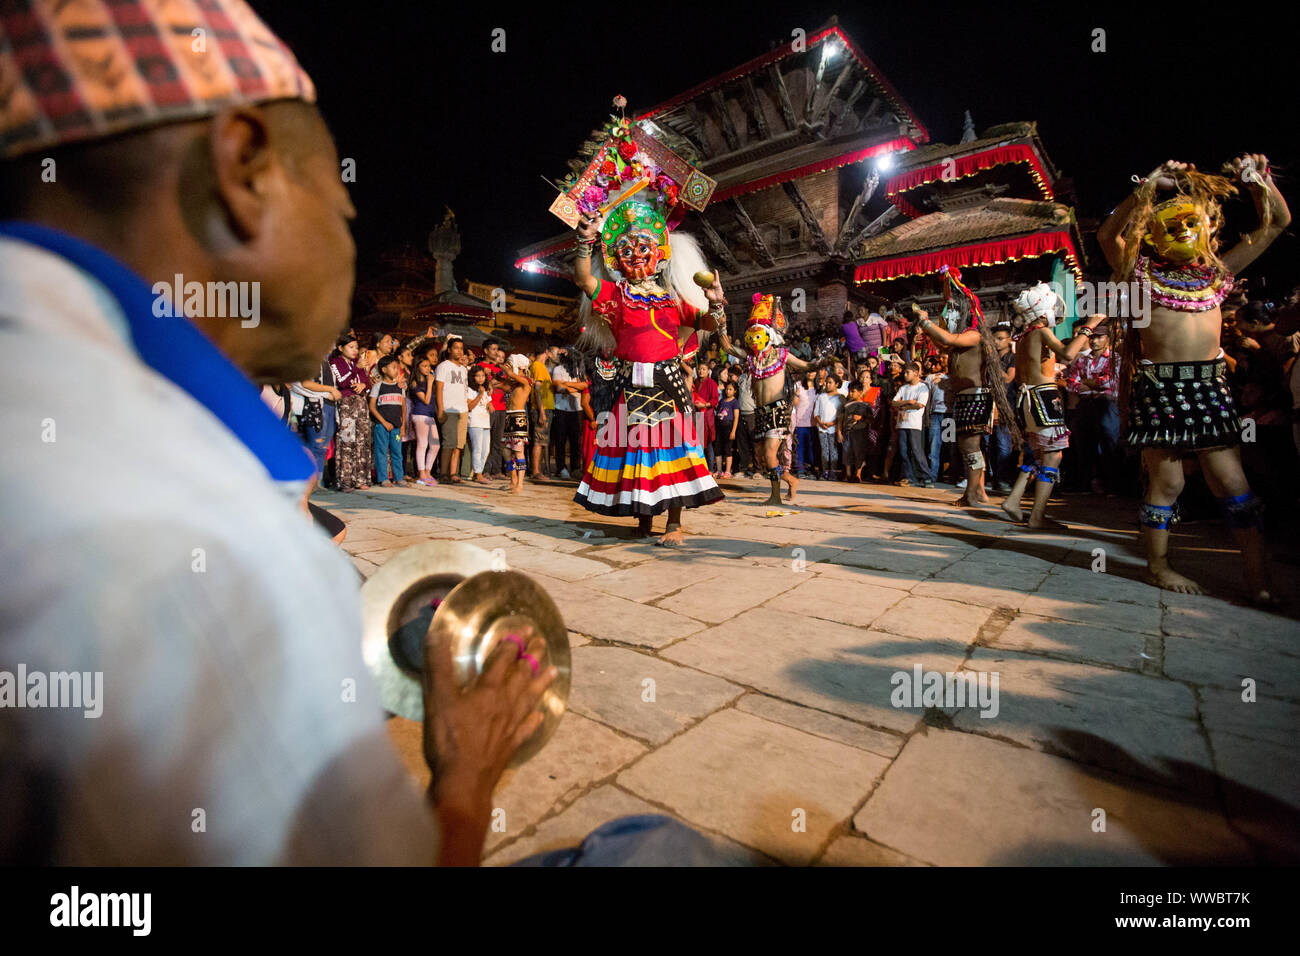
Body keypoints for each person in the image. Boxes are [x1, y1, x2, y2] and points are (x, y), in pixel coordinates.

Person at [0, 0, 572, 866]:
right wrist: (467, 775)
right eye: (341, 211)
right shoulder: (209, 558)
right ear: (243, 168)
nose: (346, 240)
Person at [1099, 156, 1289, 600]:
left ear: (1205, 228)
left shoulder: (1219, 274)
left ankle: (1259, 582)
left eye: (1190, 223)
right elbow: (1108, 234)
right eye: (1171, 225)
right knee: (1169, 483)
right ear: (1153, 236)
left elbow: (1277, 222)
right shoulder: (1140, 273)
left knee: (1235, 485)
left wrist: (1258, 181)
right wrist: (1146, 186)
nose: (1182, 230)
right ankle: (1159, 567)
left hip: (1210, 387)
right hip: (1160, 387)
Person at [565, 125, 726, 545]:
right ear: (617, 259)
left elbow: (710, 325)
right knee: (637, 457)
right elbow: (584, 280)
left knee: (674, 455)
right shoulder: (615, 296)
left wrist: (717, 304)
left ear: (658, 254)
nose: (636, 255)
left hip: (668, 382)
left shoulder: (674, 300)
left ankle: (674, 525)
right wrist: (584, 242)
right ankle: (642, 522)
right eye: (627, 250)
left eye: (644, 248)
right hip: (628, 383)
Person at [914, 265, 1021, 507]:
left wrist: (927, 323)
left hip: (975, 396)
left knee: (971, 445)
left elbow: (949, 339)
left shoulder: (974, 335)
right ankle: (978, 491)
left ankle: (973, 493)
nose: (948, 314)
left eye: (952, 309)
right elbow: (944, 344)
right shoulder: (961, 340)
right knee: (967, 445)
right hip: (966, 397)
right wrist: (927, 329)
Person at [997, 284, 1100, 528]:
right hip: (1043, 397)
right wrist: (1089, 328)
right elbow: (1067, 354)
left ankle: (1014, 501)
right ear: (1043, 312)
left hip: (1028, 399)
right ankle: (1037, 516)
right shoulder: (1041, 332)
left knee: (1042, 453)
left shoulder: (1022, 338)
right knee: (1053, 456)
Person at [717, 294, 823, 504]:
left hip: (778, 411)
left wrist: (822, 359)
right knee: (765, 459)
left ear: (769, 336)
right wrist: (721, 324)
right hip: (760, 412)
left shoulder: (783, 355)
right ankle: (790, 480)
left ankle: (775, 496)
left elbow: (807, 366)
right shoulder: (751, 359)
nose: (754, 339)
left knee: (770, 454)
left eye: (759, 334)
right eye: (752, 335)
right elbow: (728, 348)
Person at [1063, 321, 1122, 495]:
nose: (1094, 341)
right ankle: (1084, 485)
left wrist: (1086, 383)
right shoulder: (1082, 359)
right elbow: (1071, 383)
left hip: (1106, 403)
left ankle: (1113, 486)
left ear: (1107, 339)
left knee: (1109, 443)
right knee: (1083, 444)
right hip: (1086, 403)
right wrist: (1092, 384)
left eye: (1099, 337)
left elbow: (1108, 381)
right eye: (1092, 337)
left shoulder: (1114, 359)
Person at [330, 332, 373, 491]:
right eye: (351, 347)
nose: (355, 350)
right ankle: (346, 480)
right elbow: (342, 381)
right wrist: (356, 368)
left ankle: (360, 478)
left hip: (360, 403)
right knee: (348, 440)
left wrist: (364, 386)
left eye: (356, 347)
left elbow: (367, 382)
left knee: (362, 440)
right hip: (346, 404)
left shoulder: (357, 362)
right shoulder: (335, 362)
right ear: (341, 348)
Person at [369, 354, 407, 487]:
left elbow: (403, 408)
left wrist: (402, 426)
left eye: (397, 367)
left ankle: (399, 477)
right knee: (381, 452)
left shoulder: (400, 387)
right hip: (381, 426)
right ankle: (383, 478)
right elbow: (372, 407)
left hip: (396, 427)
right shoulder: (378, 387)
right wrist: (384, 422)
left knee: (397, 452)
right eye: (393, 367)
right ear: (384, 370)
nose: (396, 370)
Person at [435, 336, 469, 483]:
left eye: (461, 348)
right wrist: (441, 409)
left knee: (458, 444)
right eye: (456, 348)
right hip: (449, 409)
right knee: (448, 443)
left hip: (462, 409)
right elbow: (439, 389)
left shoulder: (464, 369)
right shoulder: (444, 366)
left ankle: (453, 473)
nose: (459, 351)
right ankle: (443, 474)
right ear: (449, 349)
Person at [892, 362, 931, 487]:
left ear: (916, 373)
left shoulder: (922, 387)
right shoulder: (903, 388)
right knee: (904, 452)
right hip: (902, 423)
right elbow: (894, 402)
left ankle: (926, 476)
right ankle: (910, 477)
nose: (905, 375)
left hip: (914, 424)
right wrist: (908, 402)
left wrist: (902, 405)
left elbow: (919, 405)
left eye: (907, 372)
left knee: (916, 451)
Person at [501, 353, 534, 494]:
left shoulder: (527, 381)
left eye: (510, 363)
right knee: (506, 451)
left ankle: (520, 484)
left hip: (518, 418)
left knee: (519, 452)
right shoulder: (514, 384)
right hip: (509, 418)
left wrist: (508, 371)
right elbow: (503, 384)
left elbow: (515, 377)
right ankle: (512, 478)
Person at [477, 337, 510, 477]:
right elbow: (480, 385)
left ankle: (496, 470)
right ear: (485, 351)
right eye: (494, 349)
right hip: (487, 407)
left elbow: (508, 386)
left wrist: (496, 382)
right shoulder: (479, 366)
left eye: (497, 349)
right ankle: (484, 470)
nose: (496, 353)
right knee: (485, 440)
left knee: (497, 441)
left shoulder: (499, 368)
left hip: (501, 407)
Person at [408, 354, 439, 487]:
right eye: (424, 366)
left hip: (429, 415)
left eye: (429, 366)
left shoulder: (428, 381)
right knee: (422, 444)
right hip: (420, 414)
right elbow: (426, 400)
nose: (427, 369)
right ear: (418, 367)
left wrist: (431, 383)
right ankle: (421, 473)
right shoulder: (415, 383)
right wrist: (430, 383)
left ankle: (427, 470)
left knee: (435, 445)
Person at [550, 349, 582, 479]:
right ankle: (561, 467)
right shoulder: (558, 369)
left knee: (575, 441)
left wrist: (567, 385)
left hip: (576, 409)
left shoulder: (578, 370)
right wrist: (574, 386)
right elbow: (558, 387)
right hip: (561, 408)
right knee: (561, 440)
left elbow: (584, 386)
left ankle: (575, 468)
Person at [529, 344, 555, 481]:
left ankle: (538, 470)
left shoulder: (541, 366)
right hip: (541, 409)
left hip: (545, 408)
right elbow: (537, 389)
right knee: (539, 441)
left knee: (542, 441)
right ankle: (536, 471)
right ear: (546, 351)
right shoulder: (538, 366)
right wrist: (542, 412)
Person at [924, 355, 950, 485]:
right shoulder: (931, 377)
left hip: (949, 415)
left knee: (949, 444)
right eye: (941, 358)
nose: (942, 360)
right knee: (934, 445)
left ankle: (950, 475)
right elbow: (927, 397)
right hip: (935, 415)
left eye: (945, 358)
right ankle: (932, 475)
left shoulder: (955, 377)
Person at [466, 364, 493, 483]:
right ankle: (478, 474)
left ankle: (479, 471)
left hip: (485, 422)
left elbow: (488, 403)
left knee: (486, 450)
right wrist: (480, 394)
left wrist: (490, 404)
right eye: (478, 376)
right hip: (475, 422)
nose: (481, 378)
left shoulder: (485, 390)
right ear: (473, 377)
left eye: (482, 376)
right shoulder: (470, 390)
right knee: (477, 448)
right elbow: (470, 406)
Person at [841, 381, 873, 482]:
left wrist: (862, 418)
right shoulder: (846, 405)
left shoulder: (865, 405)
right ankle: (848, 474)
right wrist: (839, 432)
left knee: (858, 452)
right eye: (849, 391)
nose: (850, 394)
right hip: (847, 431)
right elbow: (840, 419)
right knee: (847, 452)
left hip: (860, 432)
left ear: (860, 392)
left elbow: (871, 419)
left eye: (853, 391)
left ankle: (858, 474)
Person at [814, 374, 843, 481]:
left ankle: (833, 471)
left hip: (834, 428)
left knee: (834, 450)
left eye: (830, 382)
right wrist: (820, 422)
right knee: (824, 450)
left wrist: (832, 423)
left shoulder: (840, 398)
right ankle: (825, 471)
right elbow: (816, 412)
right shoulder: (821, 397)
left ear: (837, 384)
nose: (828, 385)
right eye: (827, 382)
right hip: (822, 428)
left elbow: (841, 414)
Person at [792, 369, 818, 477]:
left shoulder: (819, 387)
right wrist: (797, 395)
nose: (810, 373)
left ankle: (811, 469)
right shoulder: (799, 385)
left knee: (812, 448)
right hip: (800, 423)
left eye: (813, 371)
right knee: (800, 447)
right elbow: (795, 403)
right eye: (808, 371)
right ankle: (800, 470)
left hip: (815, 424)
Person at [714, 380, 741, 478]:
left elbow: (736, 417)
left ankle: (728, 471)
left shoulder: (735, 402)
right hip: (719, 427)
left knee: (728, 449)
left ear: (735, 391)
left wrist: (733, 431)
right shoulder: (722, 401)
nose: (728, 391)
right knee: (718, 448)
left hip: (729, 427)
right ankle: (719, 470)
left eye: (730, 389)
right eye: (727, 389)